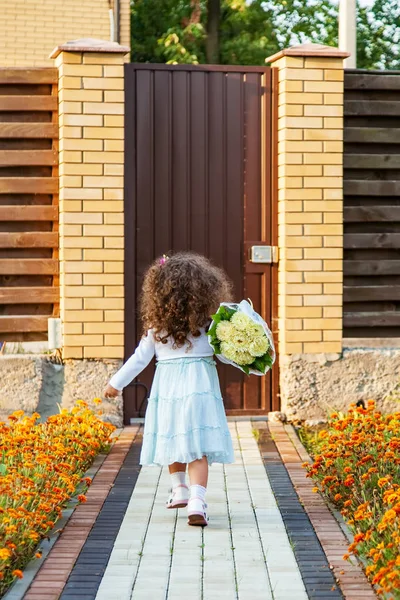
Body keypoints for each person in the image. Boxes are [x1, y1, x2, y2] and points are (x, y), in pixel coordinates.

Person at [104, 252, 235, 527]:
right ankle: (197, 501)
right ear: (206, 291)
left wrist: (116, 384)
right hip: (200, 390)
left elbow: (139, 359)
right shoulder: (210, 326)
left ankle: (179, 490)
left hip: (168, 391)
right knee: (197, 446)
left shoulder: (157, 328)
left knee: (172, 437)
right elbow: (225, 355)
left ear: (159, 294)